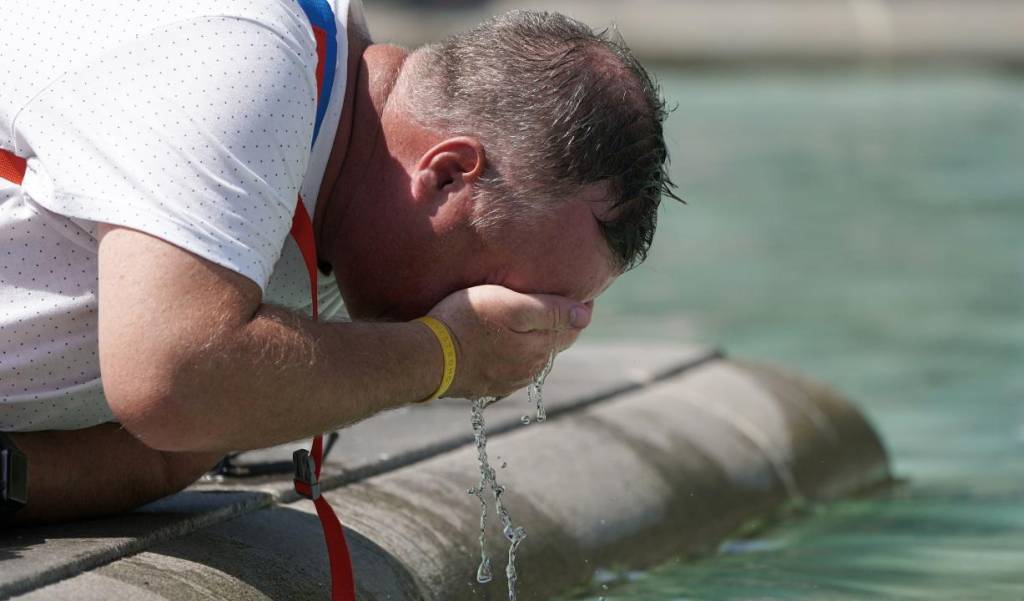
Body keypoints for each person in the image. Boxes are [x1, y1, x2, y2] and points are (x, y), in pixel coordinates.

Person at [0, 0, 677, 524]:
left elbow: (165, 452)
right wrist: (443, 353)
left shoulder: (334, 198)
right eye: (501, 291)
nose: (506, 325)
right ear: (446, 175)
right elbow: (174, 378)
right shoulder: (244, 59)